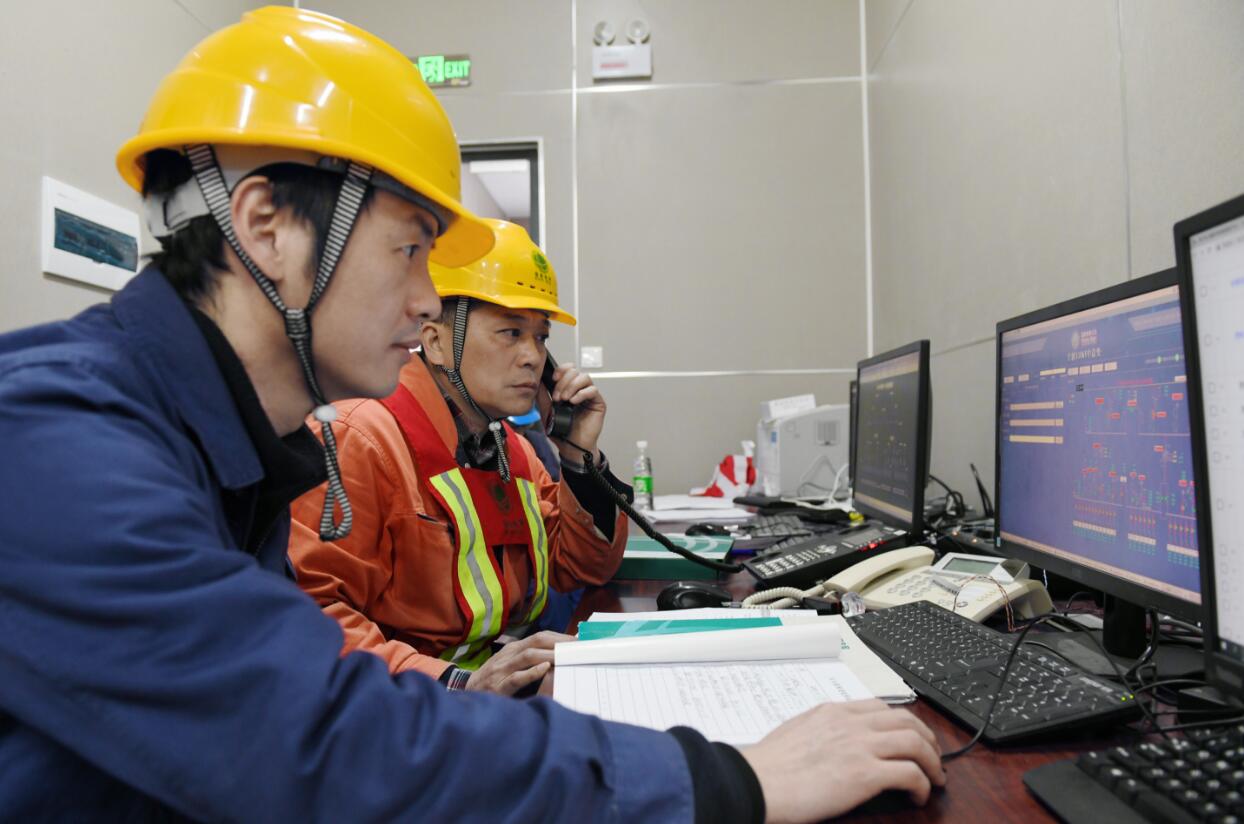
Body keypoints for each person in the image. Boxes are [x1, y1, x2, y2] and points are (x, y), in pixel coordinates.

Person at [0, 7, 944, 821]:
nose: (424, 301)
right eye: (410, 249)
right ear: (266, 227)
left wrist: (580, 465)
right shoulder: (54, 439)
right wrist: (724, 782)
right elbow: (319, 739)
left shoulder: (226, 447)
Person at [289, 219, 629, 694]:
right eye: (510, 332)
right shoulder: (358, 438)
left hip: (485, 695)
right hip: (401, 709)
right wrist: (456, 684)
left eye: (541, 338)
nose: (533, 357)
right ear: (435, 343)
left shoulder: (510, 449)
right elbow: (308, 618)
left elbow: (584, 566)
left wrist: (578, 457)